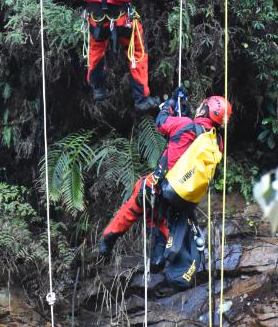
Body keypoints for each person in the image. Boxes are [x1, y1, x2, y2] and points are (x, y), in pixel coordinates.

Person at [97, 88, 232, 258]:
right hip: (183, 198)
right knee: (159, 217)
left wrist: (168, 105)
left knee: (139, 197)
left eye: (202, 107)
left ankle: (108, 239)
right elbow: (195, 137)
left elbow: (162, 123)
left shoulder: (184, 125)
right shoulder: (217, 143)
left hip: (161, 187)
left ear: (206, 110)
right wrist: (182, 109)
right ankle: (157, 257)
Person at [79, 0, 161, 111]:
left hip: (96, 19)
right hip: (122, 21)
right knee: (137, 52)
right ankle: (142, 99)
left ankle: (98, 89)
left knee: (96, 49)